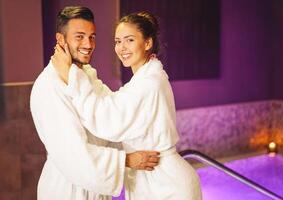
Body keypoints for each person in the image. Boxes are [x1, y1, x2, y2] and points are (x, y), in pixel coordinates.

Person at [53, 11, 201, 200]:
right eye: (117, 41)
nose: (122, 48)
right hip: (153, 179)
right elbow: (114, 102)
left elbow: (107, 120)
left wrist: (71, 75)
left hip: (167, 185)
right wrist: (84, 74)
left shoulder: (149, 83)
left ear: (147, 43)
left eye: (129, 40)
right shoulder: (145, 79)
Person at [30, 6, 160, 200]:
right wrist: (127, 160)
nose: (88, 44)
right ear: (60, 39)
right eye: (79, 36)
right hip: (67, 191)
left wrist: (144, 74)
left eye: (92, 37)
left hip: (95, 190)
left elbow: (111, 113)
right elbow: (72, 153)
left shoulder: (85, 75)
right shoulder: (48, 85)